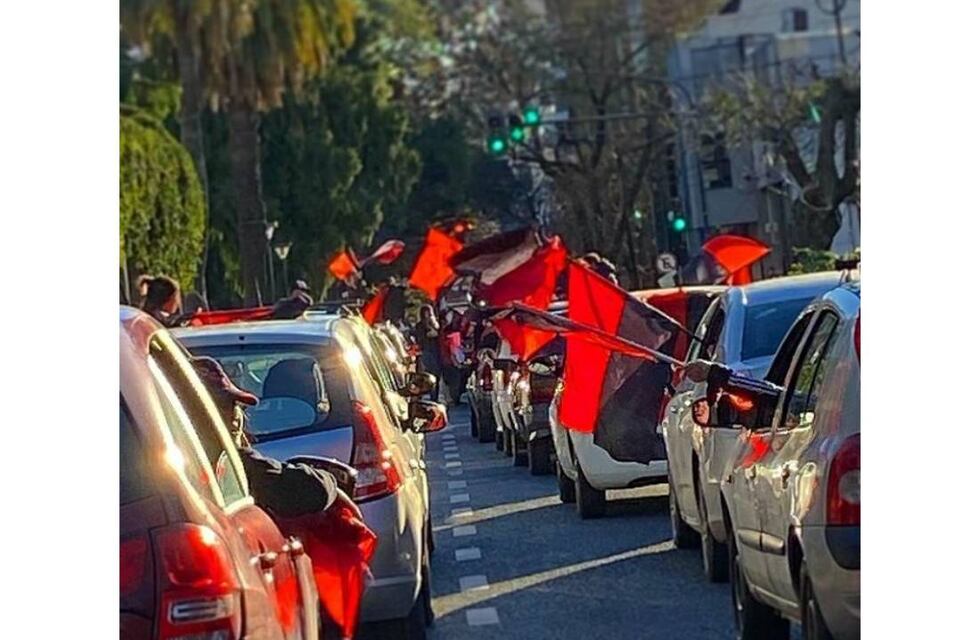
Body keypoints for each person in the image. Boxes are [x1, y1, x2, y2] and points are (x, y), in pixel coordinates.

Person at [190, 356, 357, 518]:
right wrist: (331, 484)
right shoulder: (232, 464)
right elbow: (305, 490)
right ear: (186, 418)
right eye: (214, 409)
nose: (231, 416)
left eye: (233, 404)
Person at [414, 304, 441, 400]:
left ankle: (434, 397)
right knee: (428, 375)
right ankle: (424, 395)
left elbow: (439, 334)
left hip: (436, 351)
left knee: (436, 375)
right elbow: (420, 338)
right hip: (427, 351)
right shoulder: (420, 326)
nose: (427, 315)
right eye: (425, 313)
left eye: (429, 312)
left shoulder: (436, 324)